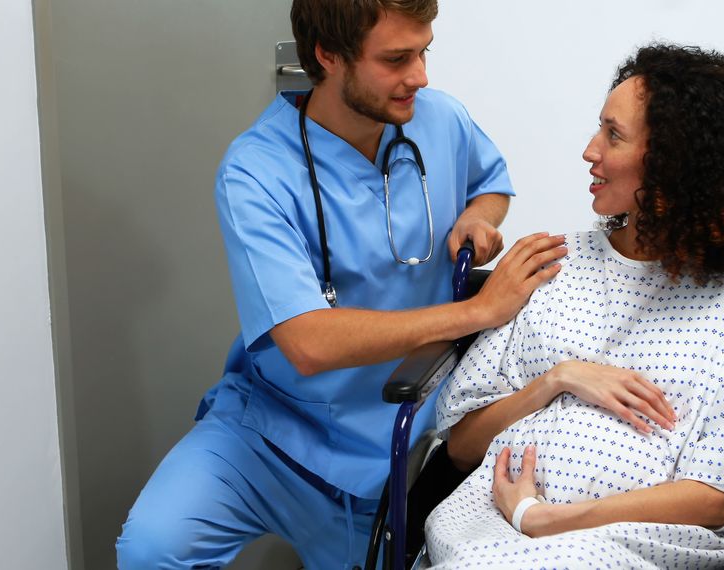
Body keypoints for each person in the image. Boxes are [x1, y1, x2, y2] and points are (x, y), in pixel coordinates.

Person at [114, 1, 567, 568]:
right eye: (397, 58)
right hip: (268, 432)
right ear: (328, 56)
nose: (420, 76)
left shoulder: (439, 119)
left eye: (424, 51)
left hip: (388, 452)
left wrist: (480, 216)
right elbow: (309, 343)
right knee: (152, 549)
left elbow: (491, 183)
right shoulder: (256, 172)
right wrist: (478, 311)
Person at [424, 43, 724, 569]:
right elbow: (462, 447)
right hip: (490, 521)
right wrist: (558, 378)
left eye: (613, 135)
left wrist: (545, 519)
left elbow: (714, 499)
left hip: (636, 544)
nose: (589, 150)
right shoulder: (552, 262)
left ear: (673, 167)